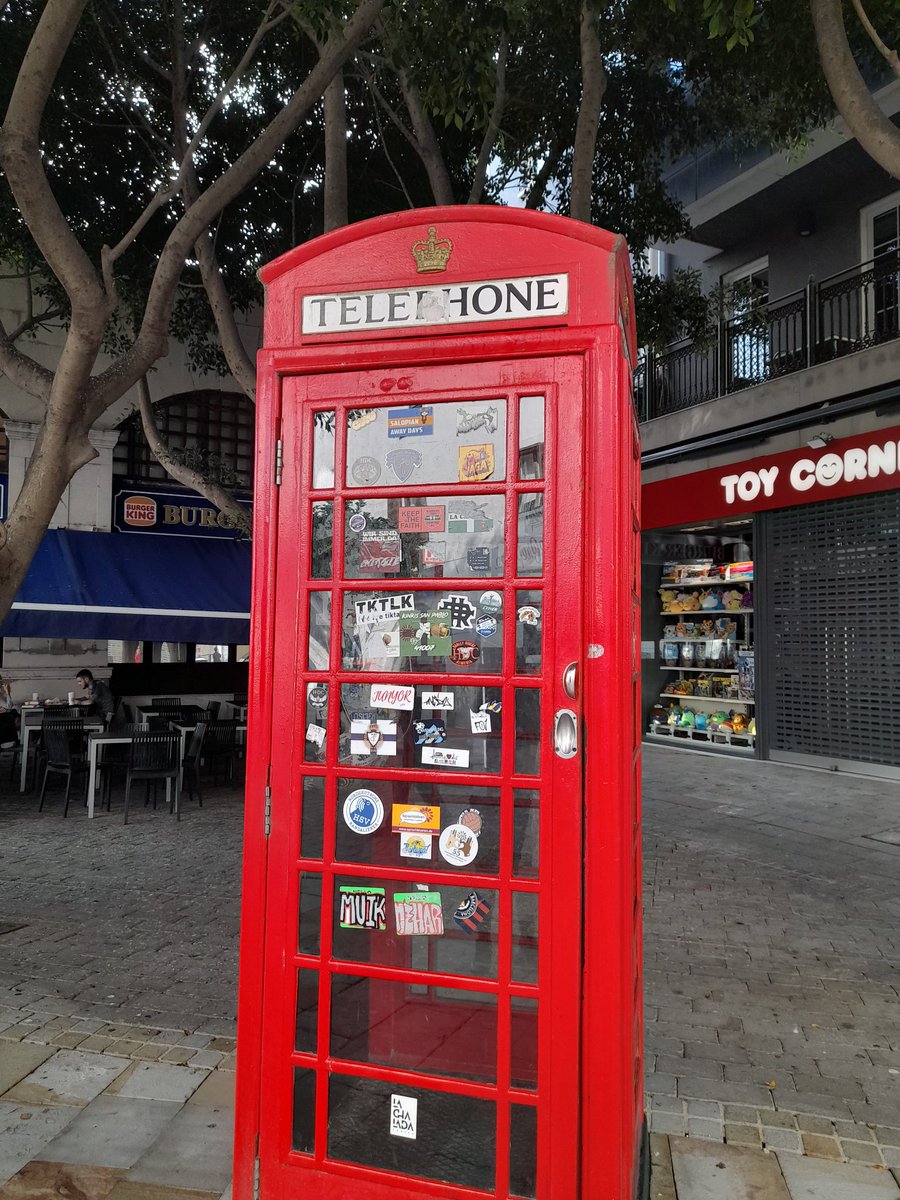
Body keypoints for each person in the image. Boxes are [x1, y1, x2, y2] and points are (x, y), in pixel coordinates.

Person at [0, 678, 19, 748]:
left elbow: (10, 706)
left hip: (6, 717)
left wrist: (8, 693)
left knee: (14, 713)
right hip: (4, 719)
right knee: (13, 714)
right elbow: (9, 707)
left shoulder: (1, 694)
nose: (1, 683)